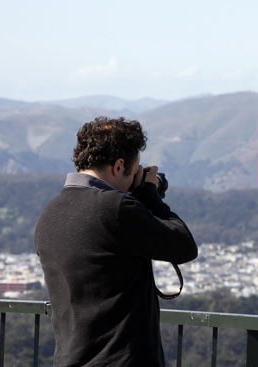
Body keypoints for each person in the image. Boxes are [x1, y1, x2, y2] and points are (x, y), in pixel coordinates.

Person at [35, 116, 198, 366]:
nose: (135, 177)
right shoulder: (115, 208)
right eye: (135, 171)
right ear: (119, 166)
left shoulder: (50, 213)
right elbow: (184, 246)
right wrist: (150, 197)